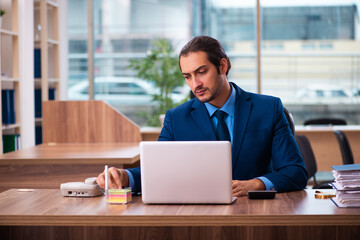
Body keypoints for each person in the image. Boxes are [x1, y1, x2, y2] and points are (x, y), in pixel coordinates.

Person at [96, 36, 308, 196]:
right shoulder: (177, 118)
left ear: (222, 66)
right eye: (187, 76)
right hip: (198, 215)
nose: (194, 84)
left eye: (201, 72)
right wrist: (125, 177)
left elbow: (295, 172)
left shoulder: (268, 108)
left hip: (254, 213)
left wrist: (255, 184)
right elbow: (158, 171)